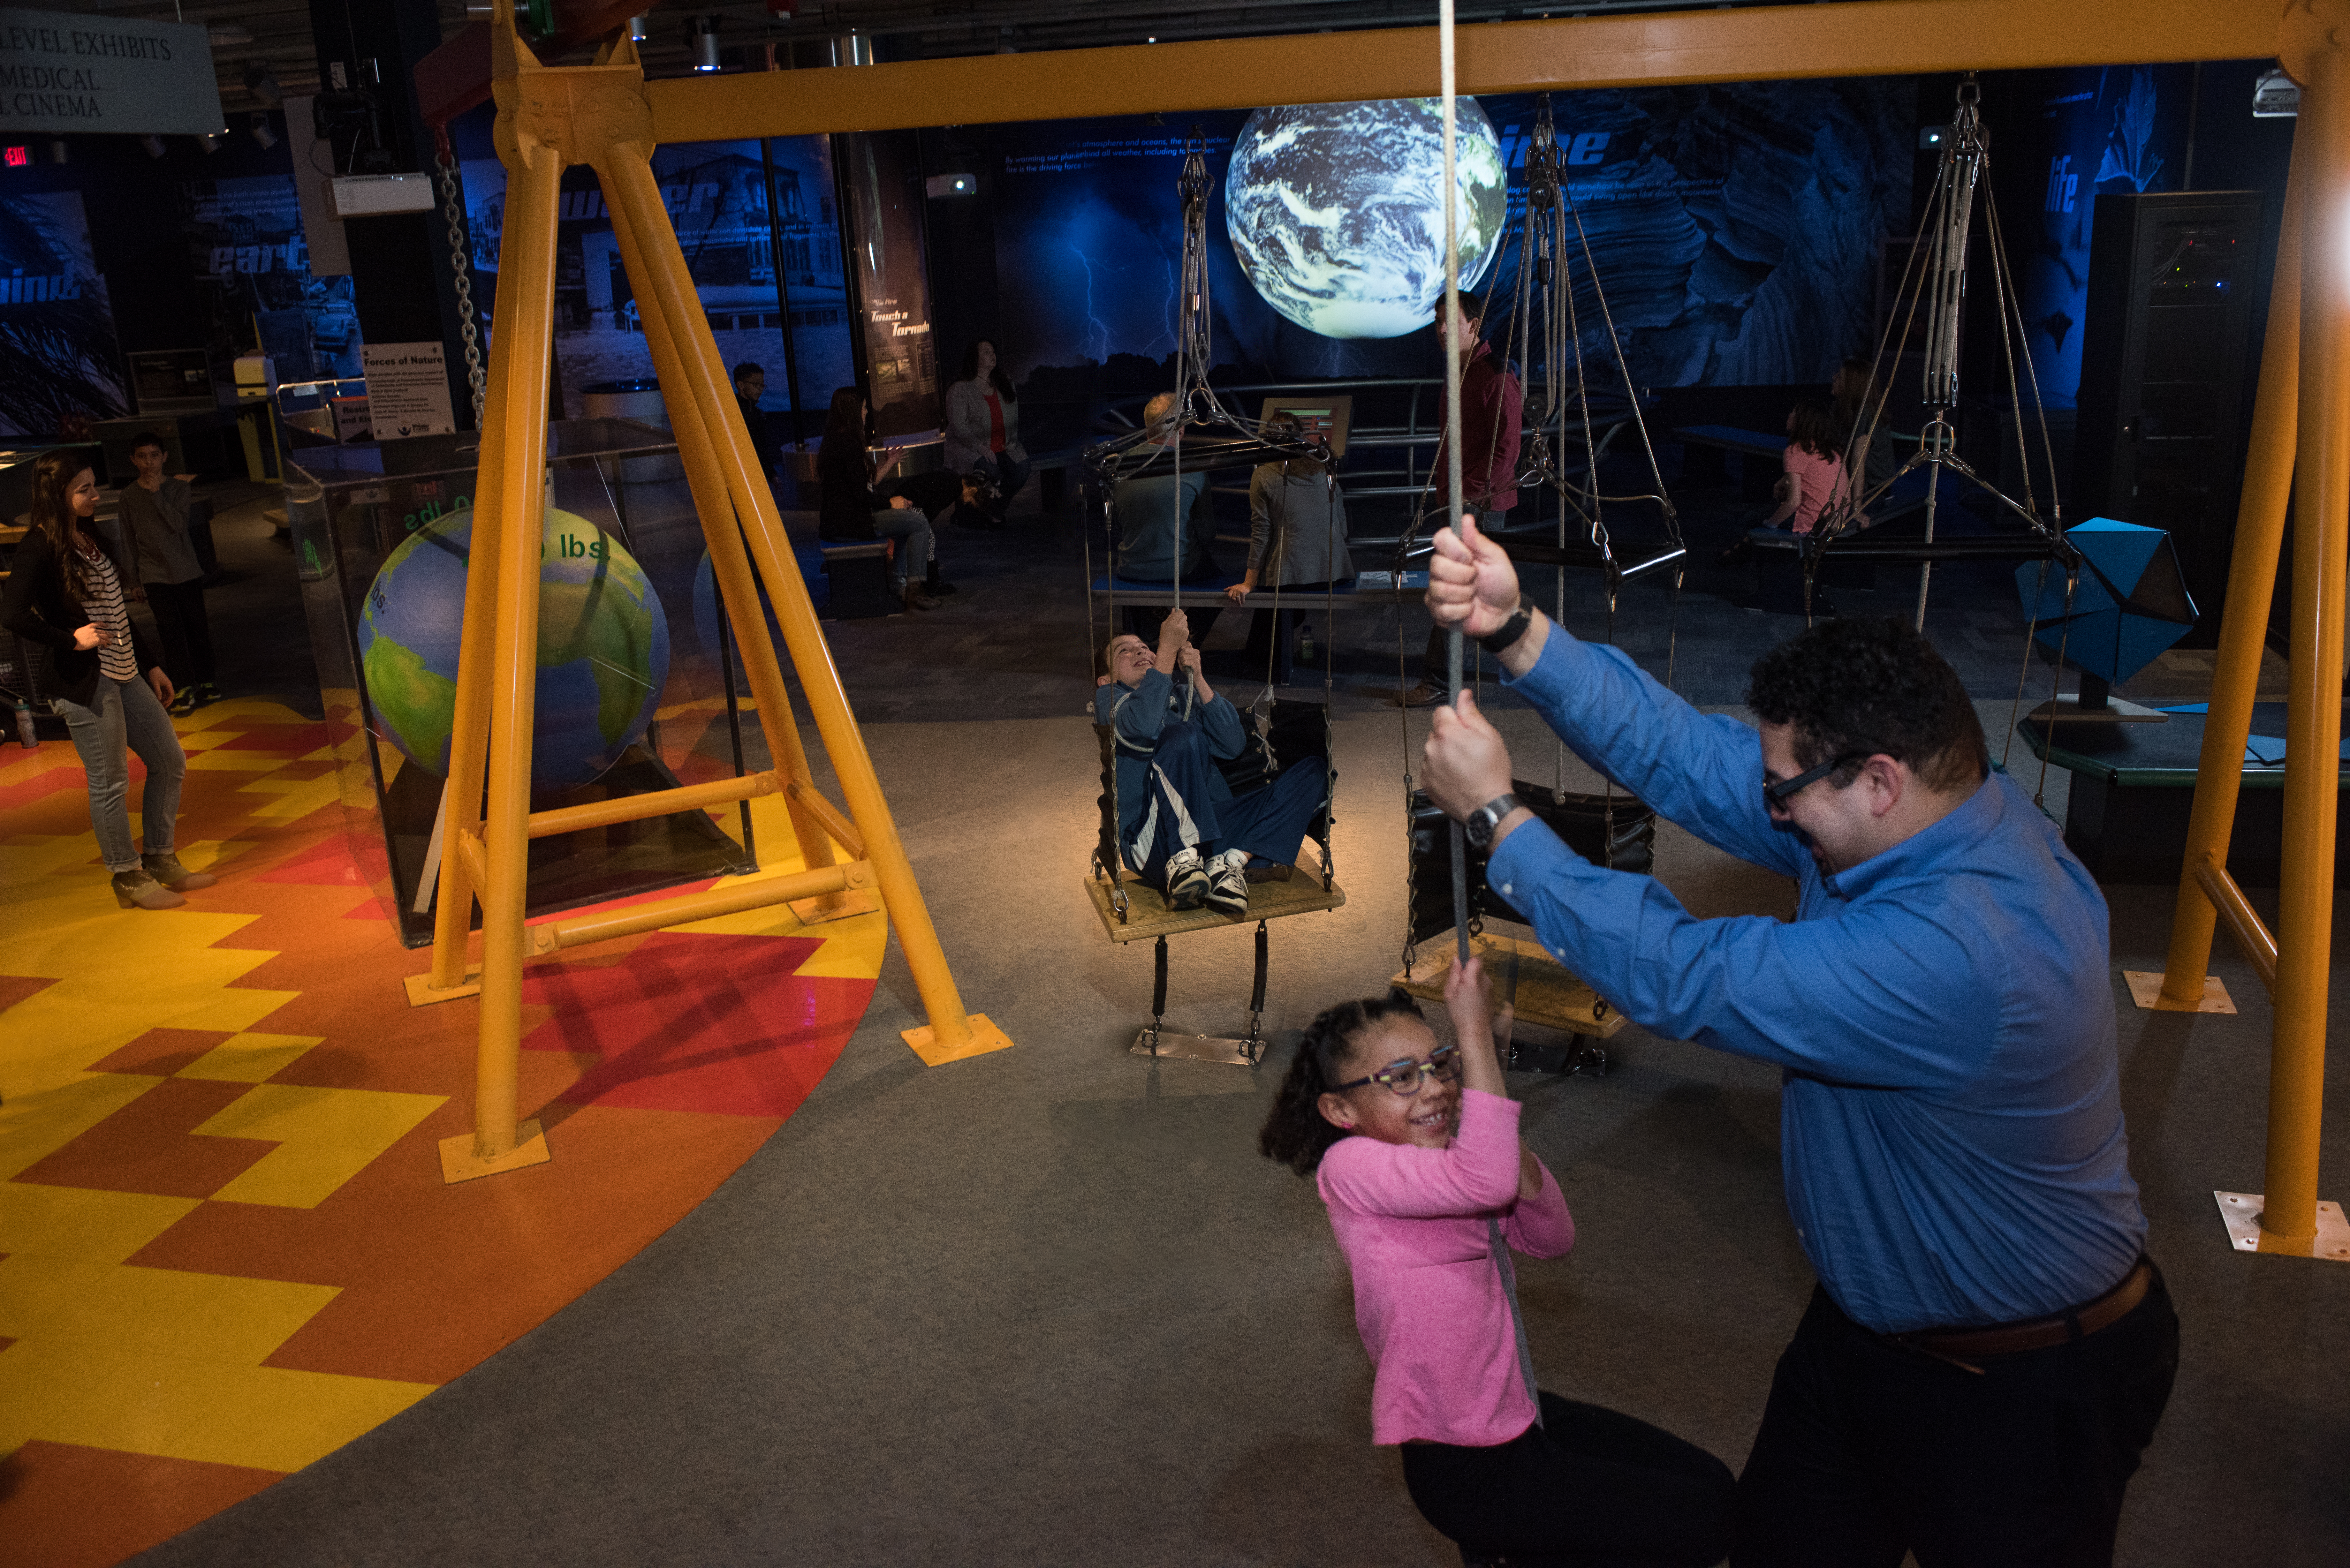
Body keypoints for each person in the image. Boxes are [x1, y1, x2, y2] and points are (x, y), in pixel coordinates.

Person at [1417, 517, 2179, 1566]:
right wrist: (1519, 633)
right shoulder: (1923, 814)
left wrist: (1499, 819)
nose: (1770, 808)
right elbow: (1689, 755)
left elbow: (1686, 974)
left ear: (1879, 780)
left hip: (2021, 1384)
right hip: (1870, 1334)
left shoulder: (1967, 950)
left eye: (1786, 791)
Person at [1259, 957, 1736, 1566]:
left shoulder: (1457, 1164)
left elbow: (1552, 1237)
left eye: (1440, 1065)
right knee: (1702, 1521)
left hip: (1514, 1409)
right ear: (1341, 1112)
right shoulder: (1350, 1168)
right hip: (1468, 1465)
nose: (1433, 1086)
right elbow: (1485, 1181)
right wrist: (1475, 1036)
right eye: (1401, 1077)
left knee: (1709, 1484)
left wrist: (1492, 1117)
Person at [1, 449, 216, 910]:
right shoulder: (39, 545)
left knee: (169, 760)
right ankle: (127, 875)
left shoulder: (89, 535)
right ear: (56, 495)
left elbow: (116, 610)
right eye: (84, 490)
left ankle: (160, 858)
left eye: (94, 485)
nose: (95, 495)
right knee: (110, 781)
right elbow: (13, 613)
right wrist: (70, 639)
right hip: (84, 681)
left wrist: (151, 663)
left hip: (124, 670)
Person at [1095, 609, 1327, 914]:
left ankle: (1231, 862)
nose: (1139, 651)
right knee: (1182, 735)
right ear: (1106, 679)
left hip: (1210, 830)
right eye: (1124, 651)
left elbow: (1232, 744)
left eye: (1144, 647)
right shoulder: (1109, 700)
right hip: (1153, 840)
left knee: (1315, 773)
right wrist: (1166, 649)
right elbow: (1144, 724)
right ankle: (1183, 860)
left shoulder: (1183, 694)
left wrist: (1199, 678)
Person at [1403, 290, 1523, 707]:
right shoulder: (1461, 372)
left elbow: (1507, 449)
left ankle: (1438, 678)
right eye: (1437, 322)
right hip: (1460, 500)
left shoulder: (1494, 376)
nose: (1441, 330)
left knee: (1457, 591)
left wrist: (1470, 495)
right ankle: (1525, 660)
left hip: (1477, 506)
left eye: (1449, 322)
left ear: (1473, 326)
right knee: (1480, 593)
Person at [1226, 409, 1353, 686]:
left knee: (1272, 597)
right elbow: (1342, 526)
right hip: (1333, 571)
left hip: (1290, 577)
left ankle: (1258, 663)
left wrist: (1249, 583)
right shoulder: (1325, 467)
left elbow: (1261, 533)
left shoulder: (1263, 475)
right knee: (1279, 604)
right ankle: (1266, 654)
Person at [816, 386, 951, 611]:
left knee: (909, 520)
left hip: (845, 519)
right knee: (919, 523)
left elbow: (866, 483)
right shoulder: (848, 444)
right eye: (864, 408)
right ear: (853, 411)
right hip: (852, 522)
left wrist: (890, 462)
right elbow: (861, 495)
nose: (867, 412)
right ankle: (914, 590)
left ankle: (900, 584)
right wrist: (890, 503)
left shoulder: (836, 440)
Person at [1112, 391, 1219, 648]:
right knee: (1217, 581)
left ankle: (1151, 632)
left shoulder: (1119, 464)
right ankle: (1185, 640)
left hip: (1131, 567)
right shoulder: (1192, 467)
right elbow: (1207, 531)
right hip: (1178, 571)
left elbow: (1119, 522)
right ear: (1180, 429)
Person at [118, 431, 215, 713]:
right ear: (133, 460)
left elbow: (177, 525)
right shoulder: (128, 496)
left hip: (186, 571)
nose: (149, 462)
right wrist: (134, 581)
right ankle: (182, 685)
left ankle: (207, 679)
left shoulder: (178, 489)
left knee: (196, 627)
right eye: (142, 457)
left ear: (164, 457)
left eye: (154, 456)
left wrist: (156, 495)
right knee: (169, 632)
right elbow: (128, 538)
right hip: (154, 574)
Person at [943, 338, 1030, 526]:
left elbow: (1013, 418)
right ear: (975, 359)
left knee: (1022, 469)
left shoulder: (1005, 383)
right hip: (972, 448)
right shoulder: (961, 389)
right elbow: (959, 427)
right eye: (987, 352)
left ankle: (994, 512)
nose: (993, 356)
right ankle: (973, 515)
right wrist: (980, 447)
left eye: (993, 351)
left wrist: (1012, 444)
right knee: (990, 471)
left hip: (1004, 447)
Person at [733, 362, 784, 486]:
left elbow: (762, 448)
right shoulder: (732, 412)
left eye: (762, 385)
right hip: (737, 475)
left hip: (753, 475)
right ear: (741, 385)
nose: (760, 390)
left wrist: (772, 474)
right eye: (756, 385)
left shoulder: (758, 414)